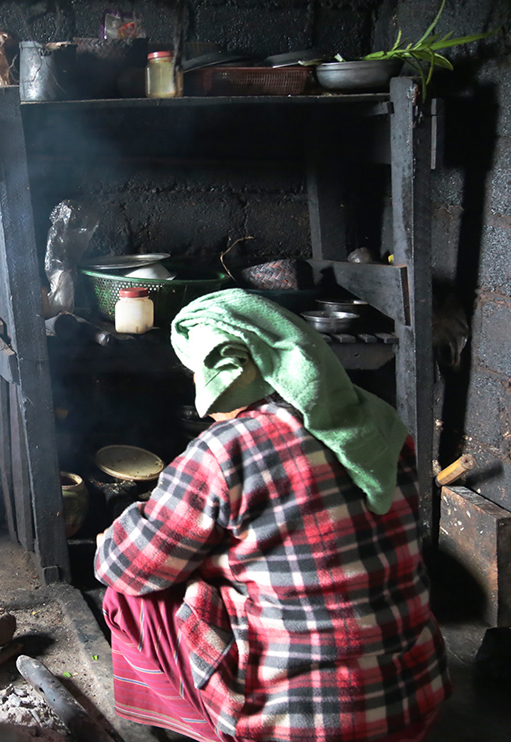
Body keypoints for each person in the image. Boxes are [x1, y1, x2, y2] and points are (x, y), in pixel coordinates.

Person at [95, 289, 449, 742]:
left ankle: (199, 731)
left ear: (221, 372)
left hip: (302, 728)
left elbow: (125, 568)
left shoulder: (225, 450)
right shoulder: (381, 425)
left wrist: (116, 532)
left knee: (129, 595)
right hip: (414, 707)